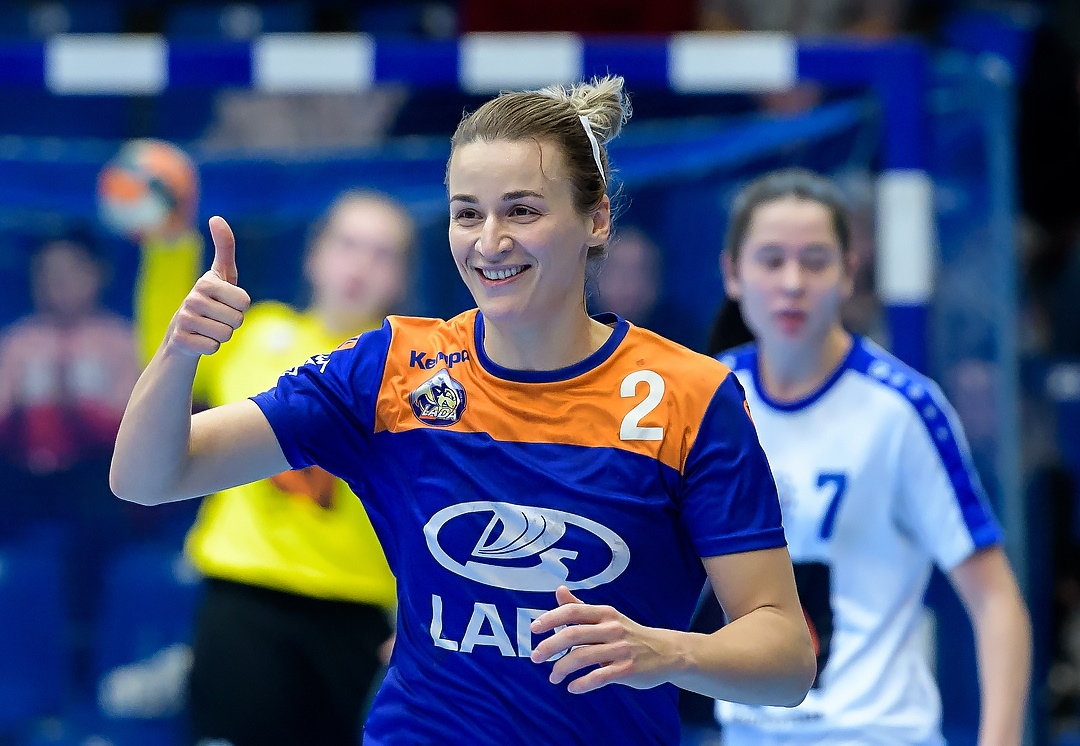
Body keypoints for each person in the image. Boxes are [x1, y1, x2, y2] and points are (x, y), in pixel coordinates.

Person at [111, 75, 817, 745]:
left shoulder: (691, 396)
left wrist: (667, 651)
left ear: (596, 218)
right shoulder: (390, 369)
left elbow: (786, 657)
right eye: (467, 213)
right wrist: (180, 349)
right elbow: (146, 477)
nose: (489, 241)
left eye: (522, 210)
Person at [707, 168, 1032, 745]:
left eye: (815, 261)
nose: (792, 283)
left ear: (848, 273)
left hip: (876, 733)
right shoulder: (705, 398)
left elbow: (995, 598)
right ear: (733, 273)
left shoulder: (902, 408)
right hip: (748, 731)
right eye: (771, 260)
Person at [129, 190, 411, 746]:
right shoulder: (259, 333)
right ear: (314, 256)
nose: (360, 265)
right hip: (244, 593)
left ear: (402, 278)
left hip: (356, 608)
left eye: (382, 253)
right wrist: (168, 246)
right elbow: (164, 360)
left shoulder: (411, 370)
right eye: (348, 244)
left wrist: (418, 617)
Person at [590, 225, 706, 350]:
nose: (627, 283)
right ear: (597, 275)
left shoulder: (682, 336)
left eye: (638, 272)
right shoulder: (578, 329)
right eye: (617, 270)